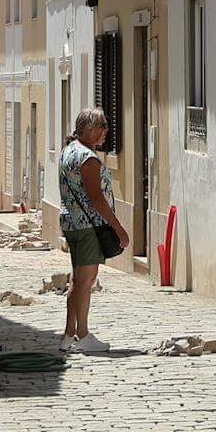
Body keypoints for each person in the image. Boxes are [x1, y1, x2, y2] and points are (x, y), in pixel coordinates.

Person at [55, 109, 126, 355]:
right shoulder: (87, 158)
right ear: (89, 129)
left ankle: (68, 334)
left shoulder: (68, 151)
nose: (106, 131)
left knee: (78, 280)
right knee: (85, 281)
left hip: (73, 223)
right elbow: (96, 198)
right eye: (102, 126)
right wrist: (118, 228)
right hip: (87, 226)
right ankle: (82, 334)